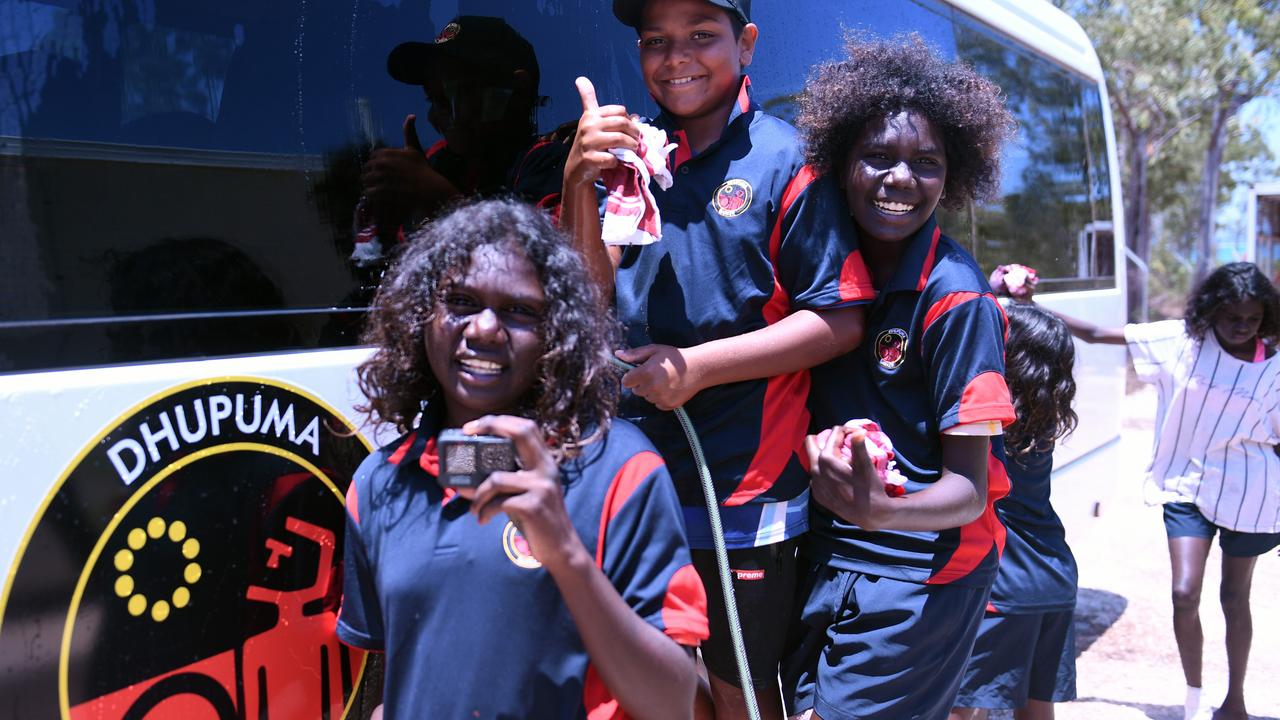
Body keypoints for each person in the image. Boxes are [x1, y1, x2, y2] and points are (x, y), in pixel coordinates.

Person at [560, 1, 872, 717]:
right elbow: (585, 292)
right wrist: (581, 176)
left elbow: (840, 320)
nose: (678, 57)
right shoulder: (631, 157)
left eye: (703, 36)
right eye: (656, 41)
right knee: (655, 678)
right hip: (638, 479)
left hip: (743, 489)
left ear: (748, 44)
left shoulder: (786, 158)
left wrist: (698, 367)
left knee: (742, 689)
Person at [336, 198, 709, 719]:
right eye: (461, 301)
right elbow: (396, 683)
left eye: (519, 311)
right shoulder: (379, 484)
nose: (486, 329)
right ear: (423, 316)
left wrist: (565, 553)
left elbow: (674, 704)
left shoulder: (622, 470)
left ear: (556, 335)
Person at [782, 35, 1018, 720]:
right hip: (828, 549)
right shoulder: (821, 269)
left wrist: (881, 511)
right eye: (877, 157)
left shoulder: (956, 298)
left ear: (953, 177)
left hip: (924, 569)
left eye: (927, 164)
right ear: (840, 164)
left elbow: (969, 490)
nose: (900, 179)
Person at [999, 260, 1280, 720]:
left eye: (1253, 320)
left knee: (1235, 597)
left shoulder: (1273, 364)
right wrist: (1029, 303)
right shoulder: (1180, 343)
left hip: (1251, 490)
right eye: (1233, 318)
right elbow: (1095, 334)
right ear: (1212, 311)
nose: (1242, 328)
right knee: (1185, 592)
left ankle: (1235, 702)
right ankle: (1193, 698)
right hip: (1185, 485)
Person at [949, 302, 1081, 720]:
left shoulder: (989, 425)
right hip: (1054, 577)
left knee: (961, 707)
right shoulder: (1042, 421)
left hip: (1003, 584)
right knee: (1032, 706)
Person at [356, 16, 568, 259]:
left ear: (517, 90)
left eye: (457, 92)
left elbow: (537, 268)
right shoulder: (437, 163)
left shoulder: (549, 165)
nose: (437, 114)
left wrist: (438, 198)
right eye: (433, 99)